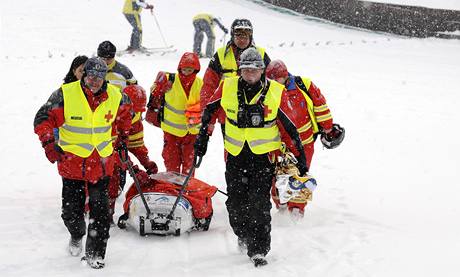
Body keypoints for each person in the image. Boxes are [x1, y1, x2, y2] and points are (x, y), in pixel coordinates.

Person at [193, 48, 308, 267]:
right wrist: (202, 139)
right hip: (236, 155)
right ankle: (243, 233)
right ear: (240, 70)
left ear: (262, 70)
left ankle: (259, 249)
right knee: (236, 203)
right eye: (245, 70)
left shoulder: (276, 91)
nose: (250, 74)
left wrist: (299, 155)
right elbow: (209, 111)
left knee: (259, 203)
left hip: (263, 158)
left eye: (254, 70)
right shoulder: (226, 86)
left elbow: (289, 127)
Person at [33, 57, 132, 269]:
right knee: (71, 214)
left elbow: (125, 117)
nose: (95, 80)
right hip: (72, 164)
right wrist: (50, 144)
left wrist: (123, 138)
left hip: (102, 164)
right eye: (91, 75)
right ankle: (76, 234)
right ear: (84, 74)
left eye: (99, 76)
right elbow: (43, 118)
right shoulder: (66, 93)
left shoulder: (116, 96)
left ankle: (95, 255)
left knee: (100, 213)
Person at [266, 59, 344, 214]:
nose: (275, 82)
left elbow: (321, 107)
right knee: (276, 176)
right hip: (277, 143)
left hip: (304, 143)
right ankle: (281, 203)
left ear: (286, 76)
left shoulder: (304, 85)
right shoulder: (267, 90)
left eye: (278, 79)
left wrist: (328, 128)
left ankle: (297, 210)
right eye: (271, 80)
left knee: (300, 176)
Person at [107, 84, 158, 224]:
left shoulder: (136, 121)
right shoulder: (110, 117)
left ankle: (106, 214)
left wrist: (147, 163)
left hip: (115, 158)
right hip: (99, 156)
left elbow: (136, 145)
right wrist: (133, 169)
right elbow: (113, 151)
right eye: (133, 112)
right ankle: (101, 215)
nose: (135, 115)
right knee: (106, 182)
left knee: (114, 182)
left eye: (138, 112)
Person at [145, 52, 202, 175]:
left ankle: (186, 189)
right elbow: (154, 94)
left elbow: (207, 103)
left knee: (189, 164)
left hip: (192, 132)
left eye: (190, 70)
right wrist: (158, 86)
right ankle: (173, 188)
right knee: (172, 163)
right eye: (184, 69)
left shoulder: (200, 84)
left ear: (196, 70)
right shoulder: (169, 80)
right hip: (171, 132)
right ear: (179, 68)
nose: (186, 72)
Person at [200, 18, 271, 114]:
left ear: (251, 37)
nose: (242, 40)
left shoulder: (261, 54)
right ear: (232, 36)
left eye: (245, 36)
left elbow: (274, 81)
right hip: (227, 112)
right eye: (238, 36)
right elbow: (208, 86)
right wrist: (206, 112)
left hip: (255, 111)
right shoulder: (221, 55)